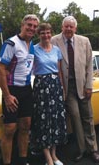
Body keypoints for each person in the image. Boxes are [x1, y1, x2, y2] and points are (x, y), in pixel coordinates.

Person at [51, 16, 99, 163]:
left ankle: (93, 149)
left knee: (88, 117)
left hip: (83, 86)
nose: (68, 29)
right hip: (67, 88)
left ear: (75, 28)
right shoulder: (54, 41)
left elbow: (89, 65)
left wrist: (89, 86)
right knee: (75, 118)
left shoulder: (84, 41)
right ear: (62, 27)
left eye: (71, 27)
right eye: (66, 26)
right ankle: (81, 150)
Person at [0, 14, 39, 165]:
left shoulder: (32, 45)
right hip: (12, 90)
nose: (32, 28)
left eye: (34, 26)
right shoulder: (11, 43)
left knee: (26, 125)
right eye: (29, 25)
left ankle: (22, 160)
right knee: (9, 129)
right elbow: (0, 70)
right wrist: (7, 96)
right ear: (22, 25)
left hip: (27, 90)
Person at [30, 23, 67, 165]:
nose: (46, 35)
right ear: (38, 35)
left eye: (48, 32)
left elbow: (59, 71)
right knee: (43, 121)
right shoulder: (33, 49)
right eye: (42, 33)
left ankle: (54, 155)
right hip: (41, 88)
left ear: (51, 33)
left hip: (55, 87)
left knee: (56, 120)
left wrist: (62, 89)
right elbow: (29, 68)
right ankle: (48, 159)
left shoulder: (56, 50)